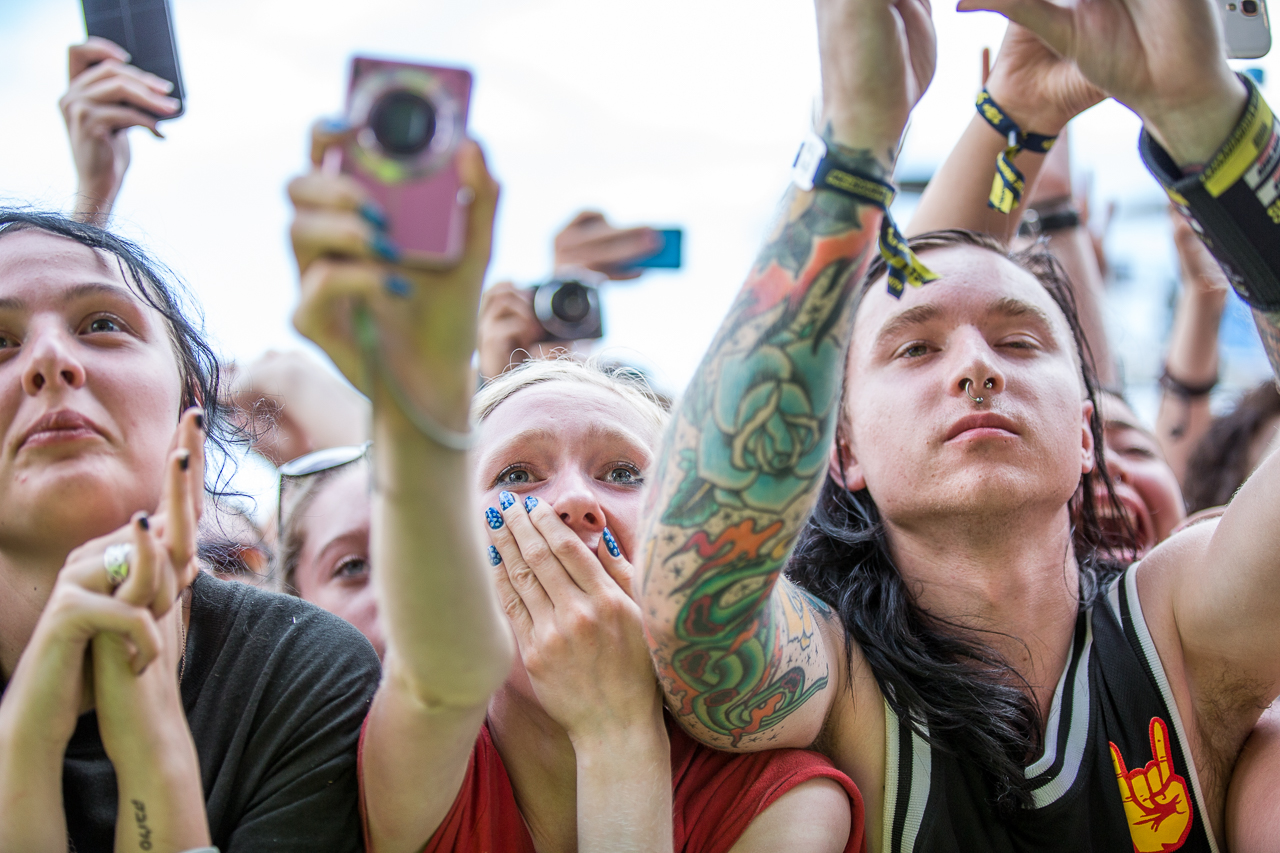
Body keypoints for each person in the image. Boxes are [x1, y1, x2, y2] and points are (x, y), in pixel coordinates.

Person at [639, 1, 1280, 851]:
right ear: (844, 449)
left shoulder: (1181, 626)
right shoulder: (838, 682)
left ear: (1086, 432)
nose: (977, 366)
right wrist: (850, 159)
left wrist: (1205, 114)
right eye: (914, 352)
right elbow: (690, 610)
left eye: (1021, 339)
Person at [287, 123, 865, 852]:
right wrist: (415, 382)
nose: (571, 501)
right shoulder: (422, 752)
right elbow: (438, 672)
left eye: (624, 472)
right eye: (516, 474)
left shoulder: (785, 800)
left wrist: (617, 728)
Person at [0, 210, 379, 851]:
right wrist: (25, 742)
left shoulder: (302, 671)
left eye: (102, 325)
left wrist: (151, 737)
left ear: (191, 411)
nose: (50, 361)